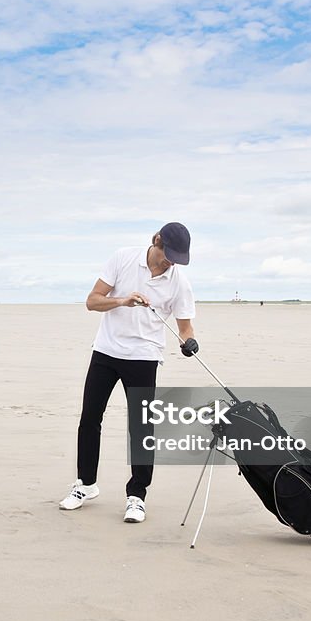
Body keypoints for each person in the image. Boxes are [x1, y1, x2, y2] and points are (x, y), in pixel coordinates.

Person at [59, 222, 198, 523]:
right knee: (90, 419)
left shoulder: (179, 282)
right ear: (157, 241)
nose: (170, 262)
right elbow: (92, 301)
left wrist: (188, 341)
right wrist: (123, 300)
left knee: (141, 429)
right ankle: (85, 485)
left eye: (177, 257)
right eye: (168, 254)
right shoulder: (123, 258)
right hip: (106, 352)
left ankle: (137, 496)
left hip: (145, 357)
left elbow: (185, 326)